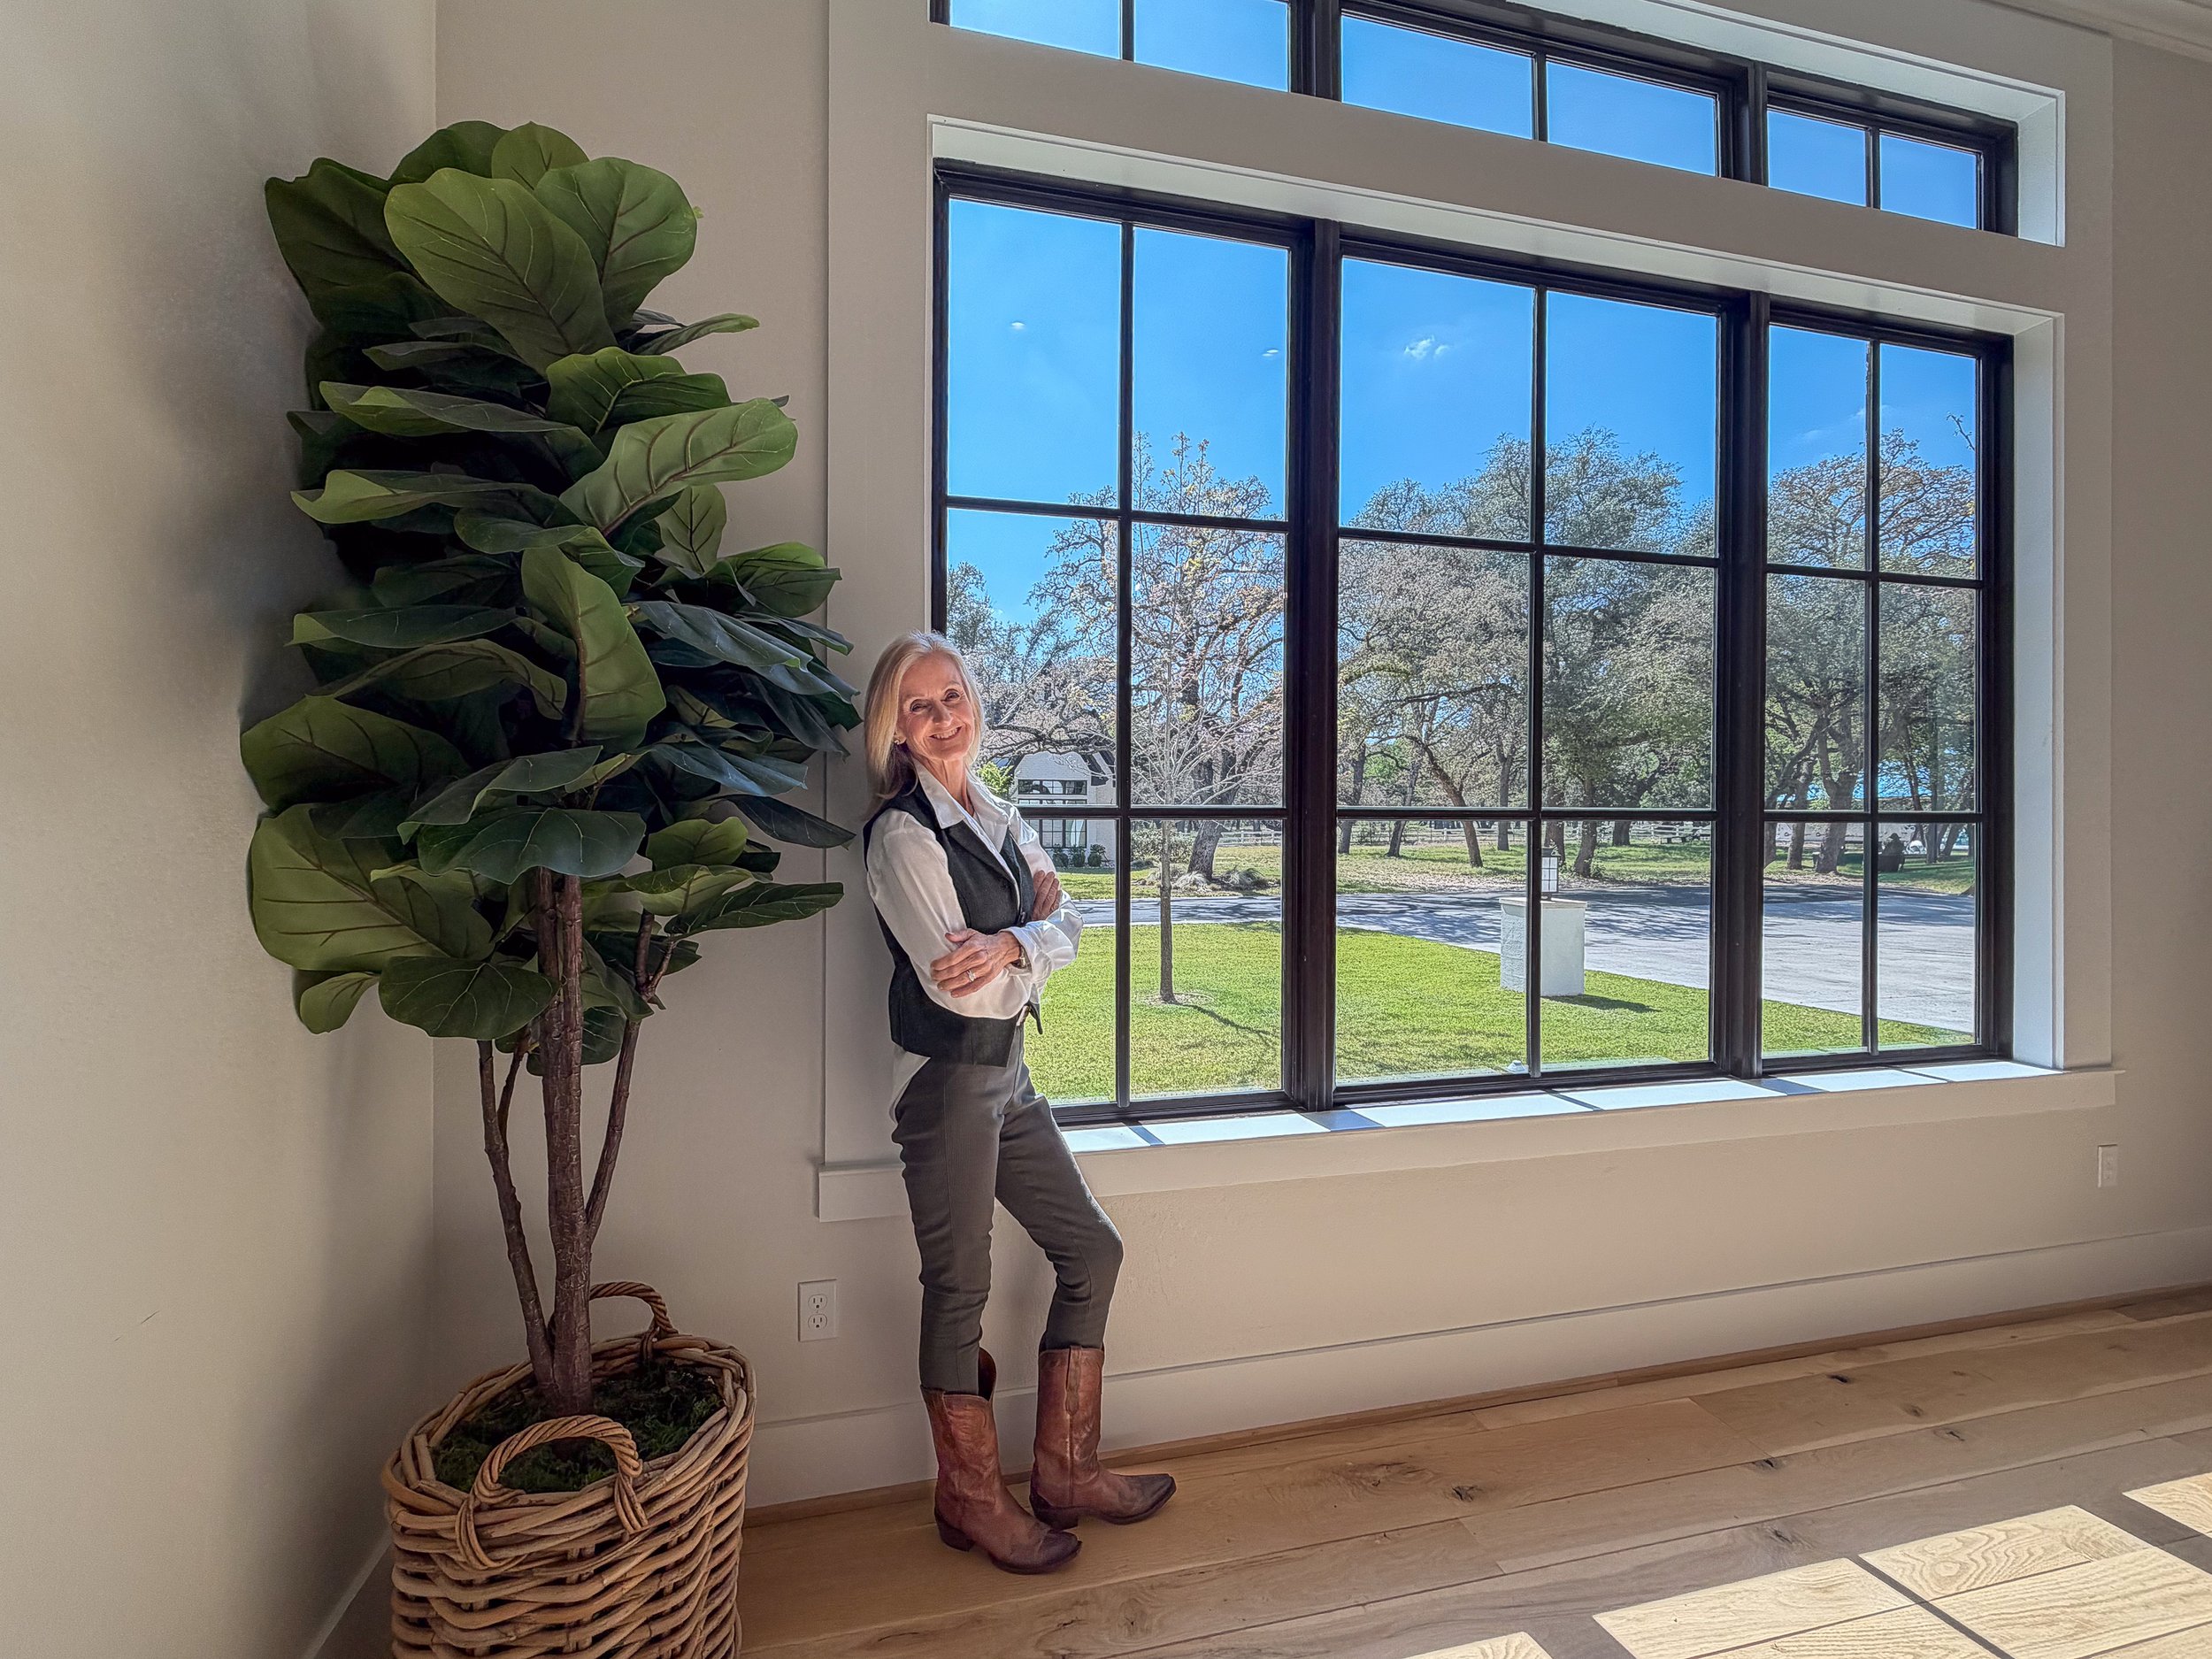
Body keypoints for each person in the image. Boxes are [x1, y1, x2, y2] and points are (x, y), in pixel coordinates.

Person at [861, 630, 1175, 1574]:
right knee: (959, 1288)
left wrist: (1017, 942)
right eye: (921, 705)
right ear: (897, 730)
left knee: (1091, 1248)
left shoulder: (996, 811)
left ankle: (1066, 1472)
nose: (944, 716)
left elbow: (1070, 921)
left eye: (952, 696)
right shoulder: (901, 835)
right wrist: (1026, 944)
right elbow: (962, 987)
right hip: (947, 1081)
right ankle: (966, 1497)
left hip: (1009, 1078)